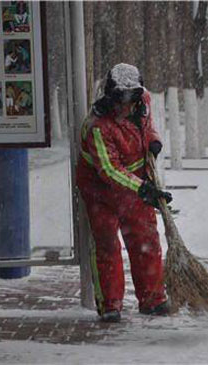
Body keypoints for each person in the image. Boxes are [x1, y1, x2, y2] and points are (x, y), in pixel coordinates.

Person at [76, 63, 172, 323]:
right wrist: (143, 189)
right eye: (120, 100)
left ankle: (152, 299)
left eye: (132, 100)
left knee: (146, 239)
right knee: (107, 244)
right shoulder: (97, 126)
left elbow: (148, 123)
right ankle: (110, 304)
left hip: (135, 183)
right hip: (100, 191)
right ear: (110, 97)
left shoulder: (144, 101)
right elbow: (108, 169)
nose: (126, 107)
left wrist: (153, 141)